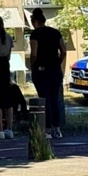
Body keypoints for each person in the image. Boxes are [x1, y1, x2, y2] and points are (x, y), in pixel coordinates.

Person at [28, 8, 66, 138]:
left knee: (44, 98)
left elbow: (34, 53)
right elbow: (64, 51)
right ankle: (57, 128)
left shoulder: (35, 34)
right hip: (55, 70)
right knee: (54, 99)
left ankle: (47, 129)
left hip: (41, 70)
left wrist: (32, 65)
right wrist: (58, 62)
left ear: (35, 21)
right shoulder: (55, 33)